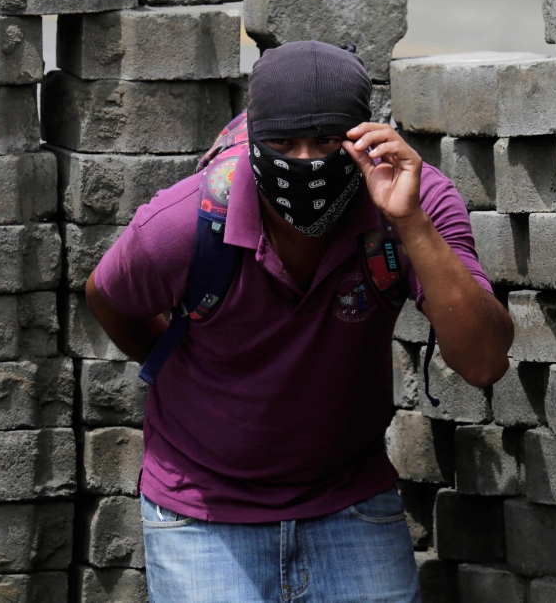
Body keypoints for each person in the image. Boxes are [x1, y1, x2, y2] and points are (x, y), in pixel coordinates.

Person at [85, 40, 514, 602]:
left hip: (349, 499)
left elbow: (483, 362)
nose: (307, 162)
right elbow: (106, 295)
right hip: (203, 511)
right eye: (283, 144)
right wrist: (180, 369)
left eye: (328, 142)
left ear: (364, 137)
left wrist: (408, 222)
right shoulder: (181, 222)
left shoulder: (416, 201)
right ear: (253, 138)